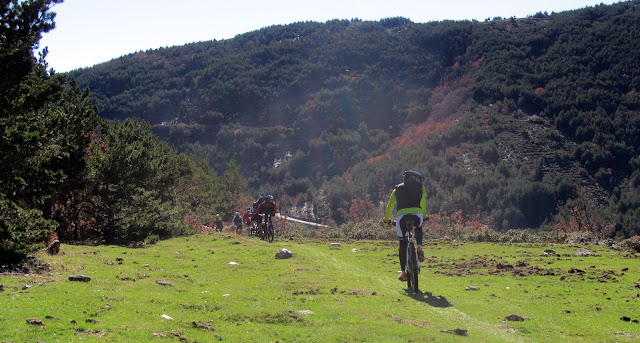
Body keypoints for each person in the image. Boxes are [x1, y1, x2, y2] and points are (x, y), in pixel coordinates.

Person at [384, 170, 427, 282]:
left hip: (401, 216)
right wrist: (425, 216)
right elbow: (423, 204)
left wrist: (387, 219)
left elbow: (390, 206)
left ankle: (403, 273)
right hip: (417, 213)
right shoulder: (421, 188)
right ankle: (419, 247)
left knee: (402, 243)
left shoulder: (397, 189)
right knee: (418, 226)